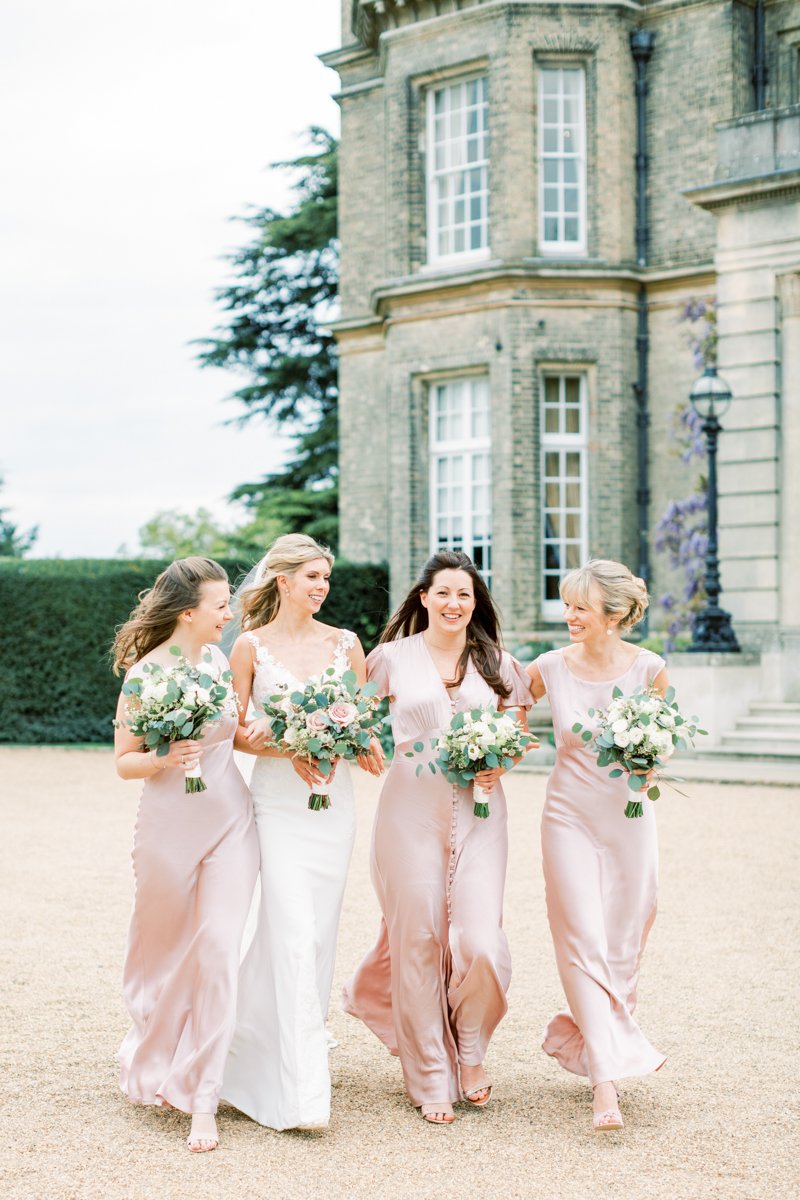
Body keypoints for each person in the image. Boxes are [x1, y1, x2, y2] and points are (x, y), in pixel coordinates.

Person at [342, 550, 533, 1125]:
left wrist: (501, 764)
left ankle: (470, 1050)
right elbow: (349, 716)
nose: (454, 604)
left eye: (465, 595)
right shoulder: (389, 659)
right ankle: (428, 1074)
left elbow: (518, 734)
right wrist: (361, 746)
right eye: (444, 593)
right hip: (408, 811)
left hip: (481, 813)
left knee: (478, 940)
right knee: (419, 938)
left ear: (476, 604)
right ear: (423, 598)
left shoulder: (499, 661)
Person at [221, 533, 379, 1131]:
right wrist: (290, 745)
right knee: (289, 926)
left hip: (332, 803)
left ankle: (280, 1042)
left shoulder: (347, 643)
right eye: (312, 577)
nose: (322, 588)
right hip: (277, 803)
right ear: (281, 580)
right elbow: (234, 732)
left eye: (327, 579)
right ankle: (298, 1090)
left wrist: (361, 744)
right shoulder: (251, 647)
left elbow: (364, 719)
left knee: (317, 934)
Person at [112, 557, 259, 1153]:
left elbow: (239, 732)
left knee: (221, 950)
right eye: (221, 604)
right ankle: (154, 1052)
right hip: (169, 828)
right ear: (189, 611)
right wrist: (166, 758)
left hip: (231, 820)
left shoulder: (221, 662)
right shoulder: (144, 675)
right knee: (163, 951)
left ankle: (204, 1094)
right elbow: (124, 762)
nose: (229, 614)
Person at [526, 559, 668, 1132]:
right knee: (581, 937)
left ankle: (600, 1040)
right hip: (567, 818)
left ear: (613, 616)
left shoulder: (650, 670)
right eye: (567, 605)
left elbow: (660, 745)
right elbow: (502, 705)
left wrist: (652, 765)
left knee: (624, 937)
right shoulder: (548, 668)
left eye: (580, 607)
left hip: (629, 819)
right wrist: (486, 750)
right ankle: (604, 1083)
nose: (569, 616)